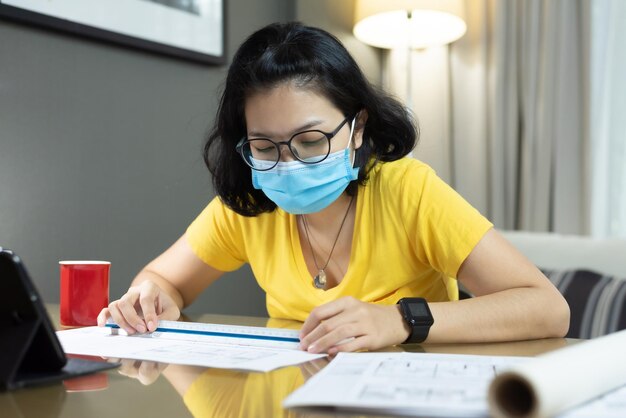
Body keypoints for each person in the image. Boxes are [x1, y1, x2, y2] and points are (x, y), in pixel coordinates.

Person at [97, 22, 570, 354]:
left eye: (309, 140)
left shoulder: (408, 191)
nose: (287, 163)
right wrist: (149, 299)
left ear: (358, 127)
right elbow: (164, 281)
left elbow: (547, 308)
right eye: (264, 146)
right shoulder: (250, 205)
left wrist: (398, 321)